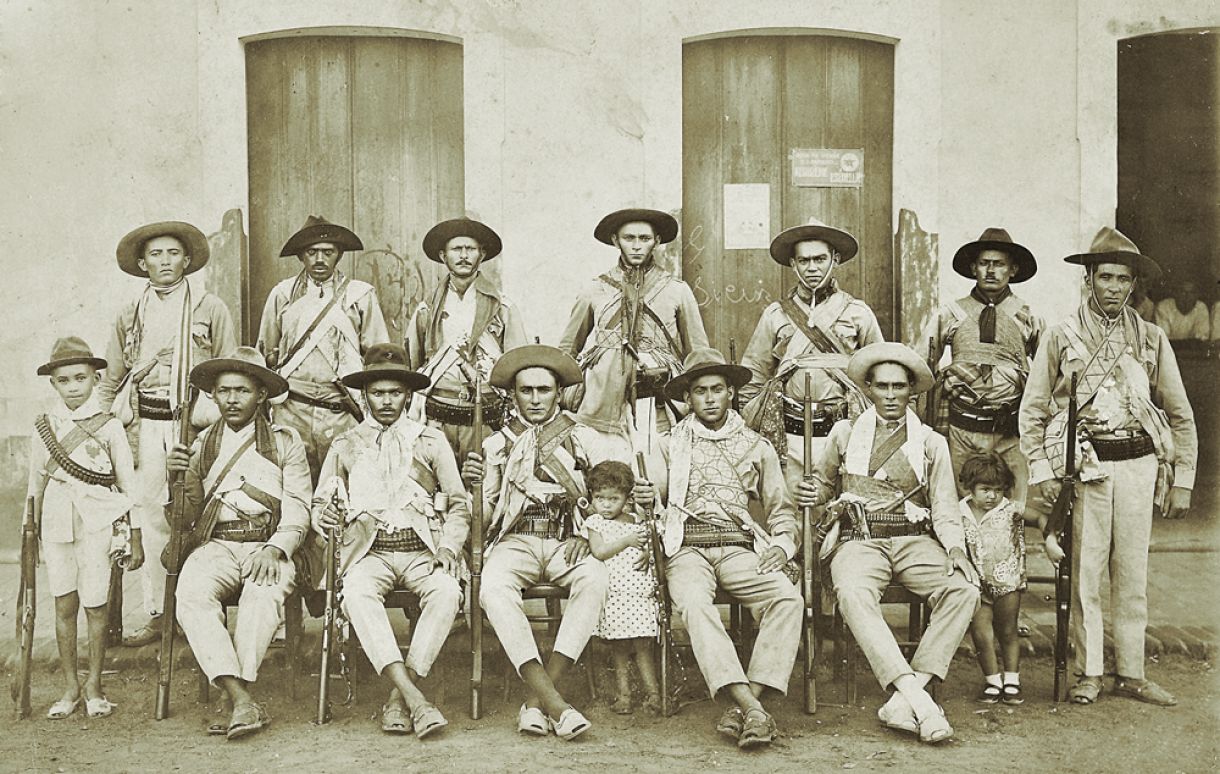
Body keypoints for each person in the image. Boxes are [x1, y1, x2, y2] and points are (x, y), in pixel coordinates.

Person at [1020, 227, 1196, 707]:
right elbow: (1033, 411)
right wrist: (1044, 474)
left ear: (1133, 284)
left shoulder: (1152, 338)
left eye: (1123, 280)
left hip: (1139, 465)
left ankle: (1133, 674)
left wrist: (1182, 481)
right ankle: (1089, 672)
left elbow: (1179, 413)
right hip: (1087, 469)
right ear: (1089, 280)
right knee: (1085, 575)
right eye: (1105, 278)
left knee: (1132, 572)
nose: (1114, 288)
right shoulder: (1062, 335)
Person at [798, 342, 979, 745]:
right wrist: (813, 492)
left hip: (914, 539)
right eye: (883, 386)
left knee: (963, 589)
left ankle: (904, 696)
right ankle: (920, 700)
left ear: (912, 390)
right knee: (852, 592)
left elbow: (946, 507)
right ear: (868, 389)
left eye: (900, 387)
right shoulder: (846, 434)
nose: (892, 395)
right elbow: (824, 486)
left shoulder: (931, 442)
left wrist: (954, 549)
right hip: (860, 539)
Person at [633, 348, 802, 749]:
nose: (709, 398)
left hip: (738, 547)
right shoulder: (669, 443)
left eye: (717, 390)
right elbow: (652, 501)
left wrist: (781, 545)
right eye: (700, 391)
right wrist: (645, 496)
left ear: (731, 394)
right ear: (687, 399)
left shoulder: (756, 445)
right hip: (687, 547)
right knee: (693, 604)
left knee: (788, 598)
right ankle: (753, 707)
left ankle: (746, 704)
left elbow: (781, 510)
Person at [313, 343, 469, 739]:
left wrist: (449, 546)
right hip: (370, 552)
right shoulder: (344, 444)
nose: (386, 401)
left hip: (421, 549)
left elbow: (458, 504)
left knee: (447, 591)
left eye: (394, 393)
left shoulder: (430, 441)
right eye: (378, 393)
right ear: (365, 396)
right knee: (357, 594)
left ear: (408, 395)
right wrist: (325, 517)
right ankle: (415, 699)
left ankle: (402, 698)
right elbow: (320, 504)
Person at [99, 220, 237, 648]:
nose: (164, 262)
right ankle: (161, 613)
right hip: (147, 423)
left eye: (173, 254)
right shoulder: (130, 313)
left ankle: (203, 608)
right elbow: (112, 377)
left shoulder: (209, 307)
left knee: (202, 511)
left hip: (196, 422)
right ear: (142, 263)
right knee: (151, 514)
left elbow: (229, 369)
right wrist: (100, 425)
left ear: (188, 260)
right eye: (155, 255)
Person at [462, 344, 610, 740]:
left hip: (568, 539)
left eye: (543, 390)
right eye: (526, 390)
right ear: (513, 395)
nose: (535, 399)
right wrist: (472, 481)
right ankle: (556, 703)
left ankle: (537, 699)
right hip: (518, 539)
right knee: (492, 588)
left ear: (558, 392)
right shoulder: (496, 445)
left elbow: (609, 495)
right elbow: (486, 510)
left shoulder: (585, 440)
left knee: (595, 579)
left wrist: (586, 529)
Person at [166, 347, 312, 739]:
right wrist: (176, 477)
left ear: (261, 395)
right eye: (224, 390)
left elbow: (299, 507)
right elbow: (185, 517)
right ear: (212, 395)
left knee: (261, 596)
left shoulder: (285, 442)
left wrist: (277, 548)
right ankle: (241, 698)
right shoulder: (200, 446)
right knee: (191, 593)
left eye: (242, 390)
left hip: (268, 543)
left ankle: (234, 697)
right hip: (217, 544)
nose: (232, 399)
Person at [29, 337, 139, 720]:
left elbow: (128, 484)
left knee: (95, 605)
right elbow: (35, 483)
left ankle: (94, 686)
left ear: (95, 378)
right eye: (64, 380)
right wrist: (31, 528)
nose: (73, 387)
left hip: (98, 523)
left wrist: (135, 534)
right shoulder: (45, 426)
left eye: (80, 378)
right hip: (57, 523)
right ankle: (70, 687)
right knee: (64, 603)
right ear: (53, 384)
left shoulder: (109, 426)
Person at [740, 217, 884, 492]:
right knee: (791, 509)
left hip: (843, 429)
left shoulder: (858, 313)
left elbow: (879, 374)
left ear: (836, 259)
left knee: (842, 511)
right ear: (793, 264)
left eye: (819, 259)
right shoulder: (776, 315)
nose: (812, 268)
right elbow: (755, 374)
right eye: (804, 261)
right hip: (790, 433)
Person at [559, 208, 709, 457]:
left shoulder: (676, 290)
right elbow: (568, 349)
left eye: (645, 238)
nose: (637, 246)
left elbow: (698, 353)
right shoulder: (594, 289)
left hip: (658, 397)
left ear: (657, 241)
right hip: (602, 400)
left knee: (654, 467)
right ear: (616, 241)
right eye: (629, 238)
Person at [257, 215, 390, 482]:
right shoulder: (282, 294)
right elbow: (265, 354)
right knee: (291, 482)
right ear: (301, 257)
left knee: (342, 484)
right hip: (291, 407)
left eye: (328, 253)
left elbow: (378, 356)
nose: (320, 260)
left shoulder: (359, 295)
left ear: (338, 255)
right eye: (312, 252)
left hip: (341, 408)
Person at [920, 228, 1044, 513]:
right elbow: (923, 366)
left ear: (1012, 270)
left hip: (1010, 432)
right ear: (973, 267)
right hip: (962, 429)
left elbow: (1048, 375)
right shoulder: (951, 313)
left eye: (999, 264)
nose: (991, 271)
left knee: (1013, 510)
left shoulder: (1028, 316)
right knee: (960, 507)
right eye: (984, 263)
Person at [405, 217, 527, 460]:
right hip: (437, 416)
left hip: (485, 417)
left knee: (482, 486)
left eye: (470, 249)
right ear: (443, 256)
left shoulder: (502, 308)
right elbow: (413, 365)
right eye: (456, 249)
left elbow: (517, 366)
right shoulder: (427, 310)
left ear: (481, 254)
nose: (463, 256)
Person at [583, 460, 660, 715]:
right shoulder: (596, 523)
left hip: (639, 595)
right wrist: (627, 541)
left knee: (643, 647)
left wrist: (648, 553)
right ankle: (624, 695)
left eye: (613, 498)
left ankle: (653, 694)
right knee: (619, 648)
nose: (605, 505)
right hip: (615, 595)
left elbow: (651, 547)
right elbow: (600, 551)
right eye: (599, 498)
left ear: (627, 498)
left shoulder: (638, 520)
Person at [958, 453, 1025, 705]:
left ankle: (1012, 680)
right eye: (985, 490)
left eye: (998, 490)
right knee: (981, 633)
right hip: (976, 583)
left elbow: (1040, 517)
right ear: (970, 487)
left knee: (1007, 631)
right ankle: (992, 680)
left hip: (1007, 582)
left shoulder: (1010, 510)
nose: (992, 496)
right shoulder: (959, 511)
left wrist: (1050, 539)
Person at [1153, 275, 1209, 341]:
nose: (1187, 296)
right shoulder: (1164, 306)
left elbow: (1200, 339)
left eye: (1191, 292)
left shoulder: (1201, 308)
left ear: (1197, 295)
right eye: (1183, 292)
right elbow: (1164, 339)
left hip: (1193, 350)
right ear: (1175, 293)